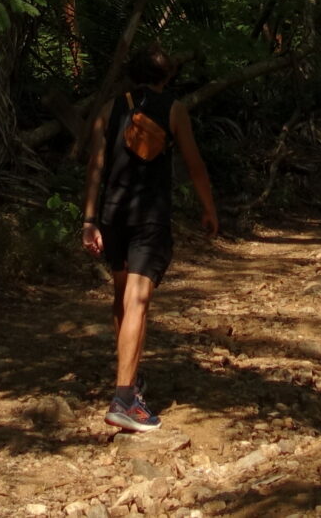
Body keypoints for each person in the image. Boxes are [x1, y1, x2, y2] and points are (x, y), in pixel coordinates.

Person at [78, 46, 219, 432]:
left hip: (113, 215)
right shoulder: (174, 109)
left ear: (132, 74)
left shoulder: (109, 109)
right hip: (149, 217)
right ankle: (124, 399)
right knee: (137, 301)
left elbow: (95, 166)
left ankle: (131, 377)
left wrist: (89, 219)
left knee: (122, 298)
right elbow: (194, 163)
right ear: (167, 76)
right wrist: (209, 208)